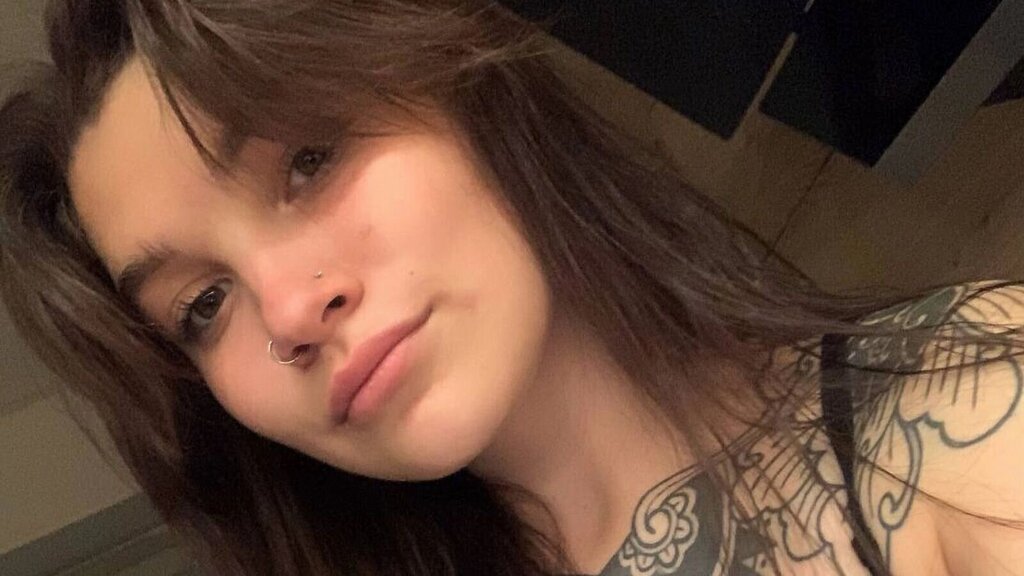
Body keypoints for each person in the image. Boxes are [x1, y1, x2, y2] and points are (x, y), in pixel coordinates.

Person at [1, 1, 1022, 575]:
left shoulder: (955, 422)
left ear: (463, 88)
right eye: (201, 306)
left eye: (309, 160)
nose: (288, 308)